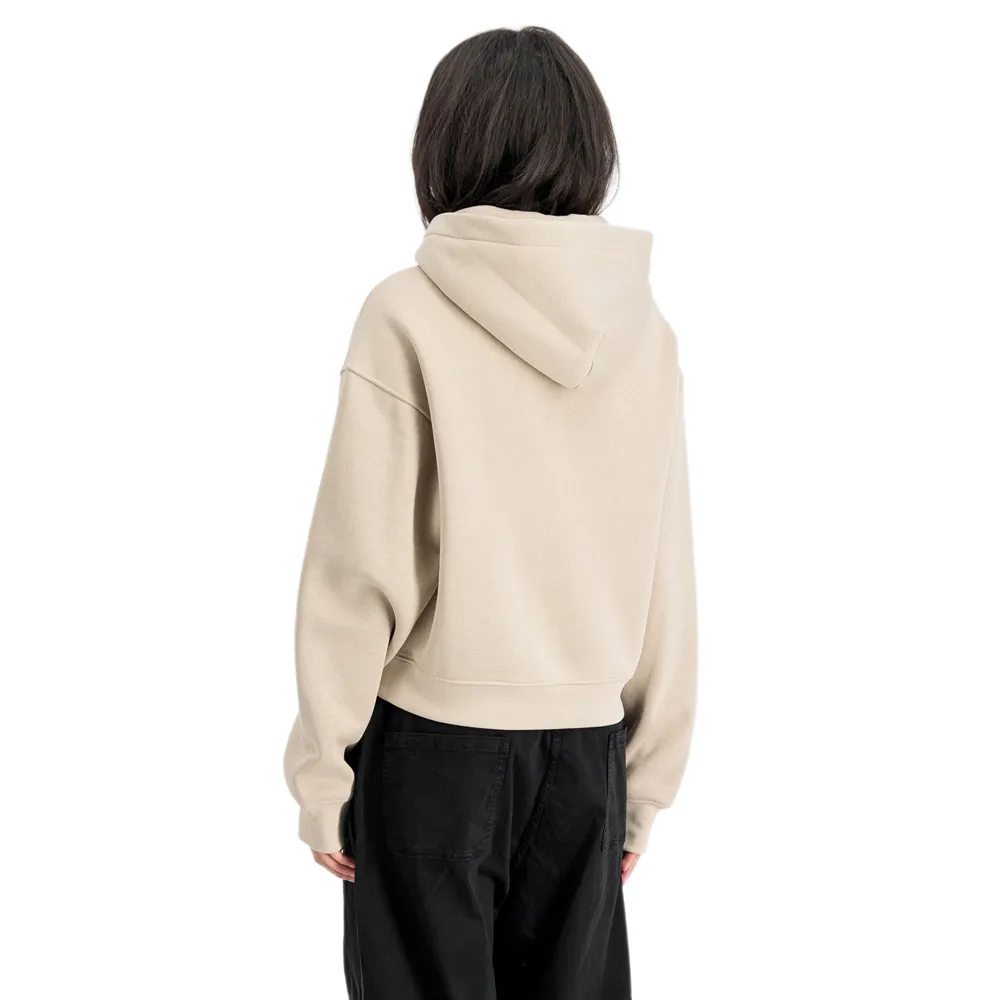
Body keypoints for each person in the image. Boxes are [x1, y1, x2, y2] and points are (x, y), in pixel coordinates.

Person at [284, 25, 697, 1000]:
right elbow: (665, 573)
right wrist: (645, 784)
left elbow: (359, 569)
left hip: (432, 755)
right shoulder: (644, 332)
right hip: (587, 758)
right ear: (590, 148)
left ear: (445, 147)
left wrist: (322, 771)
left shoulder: (406, 313)